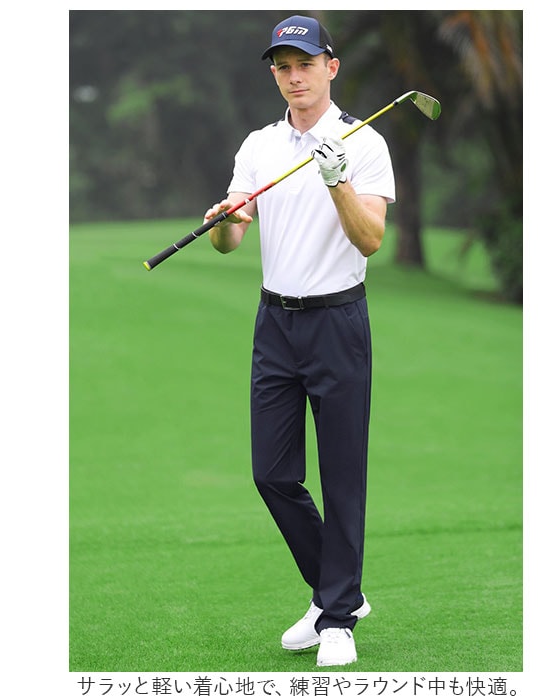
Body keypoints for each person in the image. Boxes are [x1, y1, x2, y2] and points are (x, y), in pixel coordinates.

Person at [203, 14, 395, 667]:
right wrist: (223, 222)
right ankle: (339, 591)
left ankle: (335, 617)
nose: (294, 77)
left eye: (305, 64)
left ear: (330, 67)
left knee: (342, 477)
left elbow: (370, 239)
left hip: (337, 322)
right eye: (283, 67)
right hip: (276, 325)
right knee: (272, 474)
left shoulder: (363, 142)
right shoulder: (259, 145)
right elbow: (232, 239)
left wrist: (337, 179)